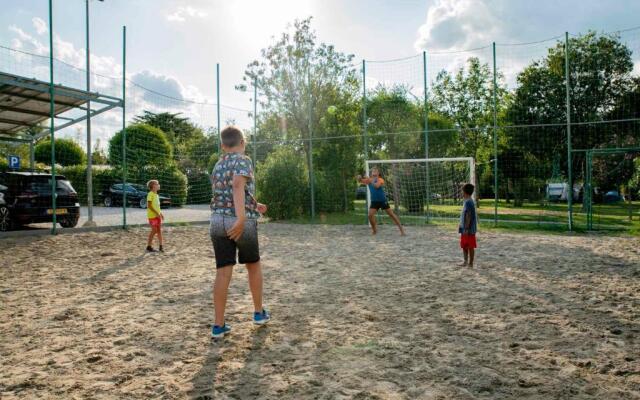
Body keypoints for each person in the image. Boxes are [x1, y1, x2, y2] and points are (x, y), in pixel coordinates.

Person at [210, 126, 270, 339]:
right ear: (243, 143)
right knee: (253, 265)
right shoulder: (243, 159)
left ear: (222, 145)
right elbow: (237, 186)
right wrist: (242, 216)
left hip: (217, 220)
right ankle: (258, 313)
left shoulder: (218, 165)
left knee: (223, 271)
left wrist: (254, 204)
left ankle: (218, 325)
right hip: (239, 221)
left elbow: (231, 191)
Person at [357, 167, 405, 236]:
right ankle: (374, 231)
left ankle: (402, 230)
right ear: (372, 173)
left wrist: (369, 180)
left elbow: (377, 186)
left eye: (376, 171)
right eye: (373, 171)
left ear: (378, 173)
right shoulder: (369, 180)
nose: (374, 172)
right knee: (370, 215)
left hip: (383, 201)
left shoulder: (380, 179)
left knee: (391, 215)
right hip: (374, 201)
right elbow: (360, 181)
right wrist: (359, 178)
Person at [458, 183, 477, 268]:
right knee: (464, 245)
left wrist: (466, 228)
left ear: (465, 192)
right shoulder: (467, 201)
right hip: (464, 227)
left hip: (468, 229)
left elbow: (469, 216)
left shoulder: (469, 202)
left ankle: (470, 263)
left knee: (470, 246)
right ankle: (465, 261)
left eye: (462, 191)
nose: (461, 193)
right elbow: (464, 215)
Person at [146, 179, 164, 253]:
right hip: (152, 216)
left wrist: (160, 213)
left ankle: (161, 246)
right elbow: (149, 205)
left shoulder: (156, 195)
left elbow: (157, 206)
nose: (158, 185)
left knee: (159, 230)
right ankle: (149, 246)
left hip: (157, 216)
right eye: (157, 184)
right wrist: (156, 213)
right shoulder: (150, 194)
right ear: (153, 186)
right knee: (154, 230)